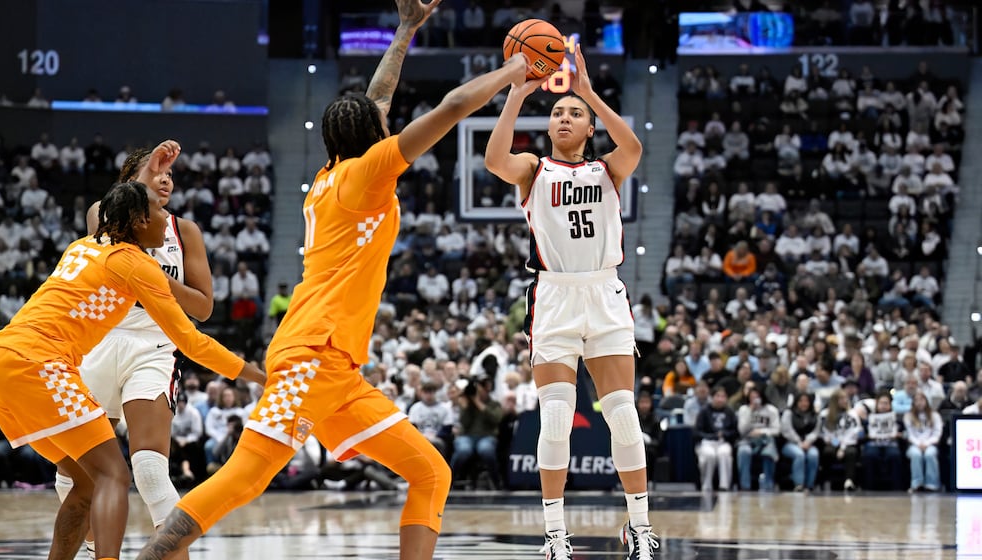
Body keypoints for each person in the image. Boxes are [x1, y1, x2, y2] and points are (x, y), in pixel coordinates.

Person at [136, 1, 529, 557]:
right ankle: (155, 553)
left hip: (339, 367)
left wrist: (405, 30)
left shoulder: (333, 172)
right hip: (311, 352)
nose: (388, 121)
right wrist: (516, 70)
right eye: (382, 126)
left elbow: (378, 98)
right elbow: (452, 106)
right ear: (374, 137)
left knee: (430, 473)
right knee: (246, 476)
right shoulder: (369, 172)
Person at [0, 179, 264, 560]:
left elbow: (110, 210)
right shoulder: (136, 264)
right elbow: (194, 343)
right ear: (136, 220)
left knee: (83, 483)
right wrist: (257, 375)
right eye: (158, 213)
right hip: (41, 364)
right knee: (114, 475)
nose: (167, 221)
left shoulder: (82, 246)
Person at [483, 43, 658, 559]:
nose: (564, 117)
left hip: (603, 293)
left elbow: (635, 149)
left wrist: (589, 94)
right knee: (556, 417)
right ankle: (555, 533)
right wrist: (516, 95)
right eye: (558, 112)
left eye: (573, 114)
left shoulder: (608, 169)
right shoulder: (533, 170)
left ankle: (639, 529)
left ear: (587, 129)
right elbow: (494, 159)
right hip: (555, 296)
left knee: (623, 414)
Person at [54, 140, 215, 560]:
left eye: (170, 173)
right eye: (156, 171)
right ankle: (93, 551)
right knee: (72, 474)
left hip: (153, 346)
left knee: (148, 469)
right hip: (98, 341)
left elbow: (203, 306)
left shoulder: (185, 232)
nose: (166, 178)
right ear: (130, 180)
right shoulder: (100, 216)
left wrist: (153, 281)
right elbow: (107, 220)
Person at [736, 386, 780, 491]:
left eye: (757, 396)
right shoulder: (743, 409)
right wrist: (750, 411)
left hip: (766, 439)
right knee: (743, 452)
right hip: (747, 440)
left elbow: (777, 430)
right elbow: (741, 430)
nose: (755, 399)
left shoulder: (771, 410)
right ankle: (745, 485)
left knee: (768, 453)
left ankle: (768, 484)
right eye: (752, 397)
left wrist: (761, 431)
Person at [694, 385, 737, 492]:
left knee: (724, 454)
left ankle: (724, 485)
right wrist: (712, 436)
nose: (720, 399)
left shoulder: (729, 412)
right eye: (718, 396)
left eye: (723, 396)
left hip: (723, 442)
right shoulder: (704, 411)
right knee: (709, 455)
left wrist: (724, 434)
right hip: (707, 442)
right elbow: (697, 432)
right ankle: (706, 484)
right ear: (712, 397)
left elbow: (735, 431)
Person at [780, 392, 819, 492]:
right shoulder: (788, 413)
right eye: (801, 401)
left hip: (808, 444)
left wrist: (808, 441)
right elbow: (786, 430)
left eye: (806, 401)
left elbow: (816, 431)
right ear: (796, 402)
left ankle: (810, 485)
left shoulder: (815, 415)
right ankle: (799, 484)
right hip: (790, 443)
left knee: (814, 455)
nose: (804, 403)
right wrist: (798, 442)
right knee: (799, 454)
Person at [904, 391, 941, 492]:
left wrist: (927, 444)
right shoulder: (908, 416)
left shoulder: (935, 415)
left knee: (930, 454)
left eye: (922, 400)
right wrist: (918, 444)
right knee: (916, 454)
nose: (919, 403)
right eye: (916, 400)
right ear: (913, 403)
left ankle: (932, 484)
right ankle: (916, 484)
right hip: (914, 444)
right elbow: (910, 434)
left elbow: (937, 434)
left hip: (931, 444)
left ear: (926, 401)